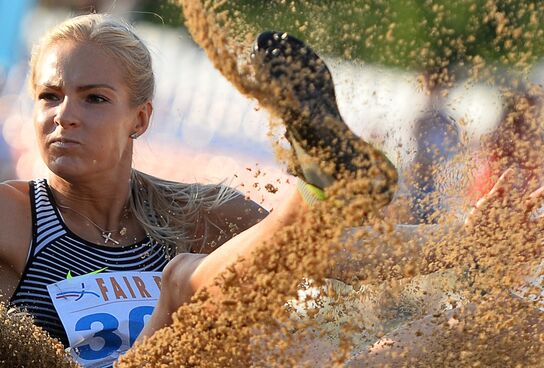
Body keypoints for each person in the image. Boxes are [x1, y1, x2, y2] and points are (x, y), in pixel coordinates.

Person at [0, 14, 397, 368]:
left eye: (94, 99)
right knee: (180, 281)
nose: (65, 116)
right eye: (49, 96)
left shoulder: (193, 211)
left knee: (431, 335)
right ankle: (318, 189)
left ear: (139, 119)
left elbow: (339, 253)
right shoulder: (14, 215)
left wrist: (458, 237)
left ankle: (323, 187)